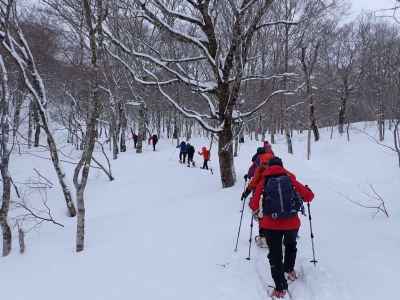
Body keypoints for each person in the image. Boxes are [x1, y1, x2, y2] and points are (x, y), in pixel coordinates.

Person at [249, 157, 314, 298]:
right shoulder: (289, 179)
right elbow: (309, 196)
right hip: (291, 223)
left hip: (270, 225)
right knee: (290, 245)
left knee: (275, 255)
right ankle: (289, 270)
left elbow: (253, 204)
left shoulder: (264, 180)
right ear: (282, 166)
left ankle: (280, 288)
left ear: (268, 167)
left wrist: (258, 208)